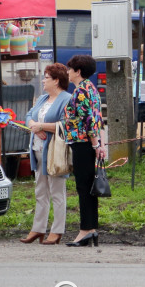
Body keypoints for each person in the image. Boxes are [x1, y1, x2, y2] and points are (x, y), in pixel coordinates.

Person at [21, 63, 72, 245]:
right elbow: (29, 115)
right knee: (40, 191)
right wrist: (34, 126)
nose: (43, 80)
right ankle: (38, 228)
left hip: (54, 153)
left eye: (46, 77)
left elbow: (67, 124)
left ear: (56, 81)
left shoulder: (67, 99)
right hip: (37, 150)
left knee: (57, 192)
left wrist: (42, 126)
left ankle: (57, 230)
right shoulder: (43, 98)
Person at [62, 55, 107, 248]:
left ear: (78, 71)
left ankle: (85, 230)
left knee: (84, 187)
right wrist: (100, 145)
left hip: (83, 143)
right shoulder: (91, 88)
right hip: (90, 143)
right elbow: (98, 118)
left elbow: (89, 120)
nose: (67, 72)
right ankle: (91, 228)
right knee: (90, 187)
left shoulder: (81, 91)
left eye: (69, 68)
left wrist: (96, 144)